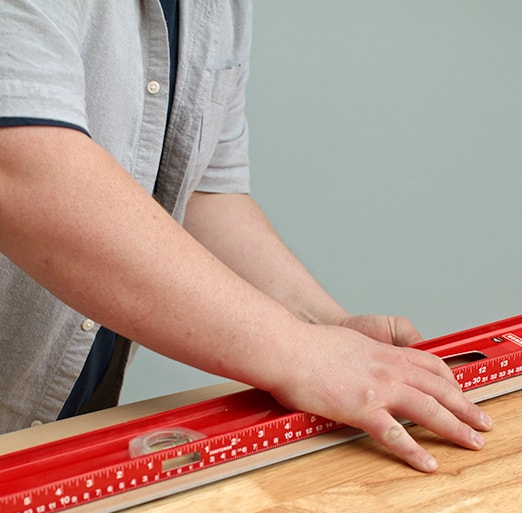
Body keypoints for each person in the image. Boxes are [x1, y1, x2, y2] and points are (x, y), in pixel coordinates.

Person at [0, 1, 492, 472]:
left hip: (51, 426)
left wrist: (324, 327)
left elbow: (199, 193)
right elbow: (25, 169)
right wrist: (299, 353)